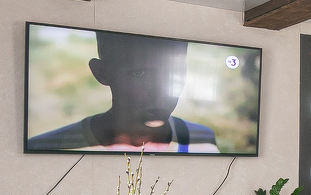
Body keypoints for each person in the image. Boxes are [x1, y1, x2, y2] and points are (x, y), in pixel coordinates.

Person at [28, 31, 219, 152]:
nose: (161, 92)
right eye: (140, 73)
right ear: (102, 73)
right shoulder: (46, 146)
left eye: (174, 72)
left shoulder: (202, 139)